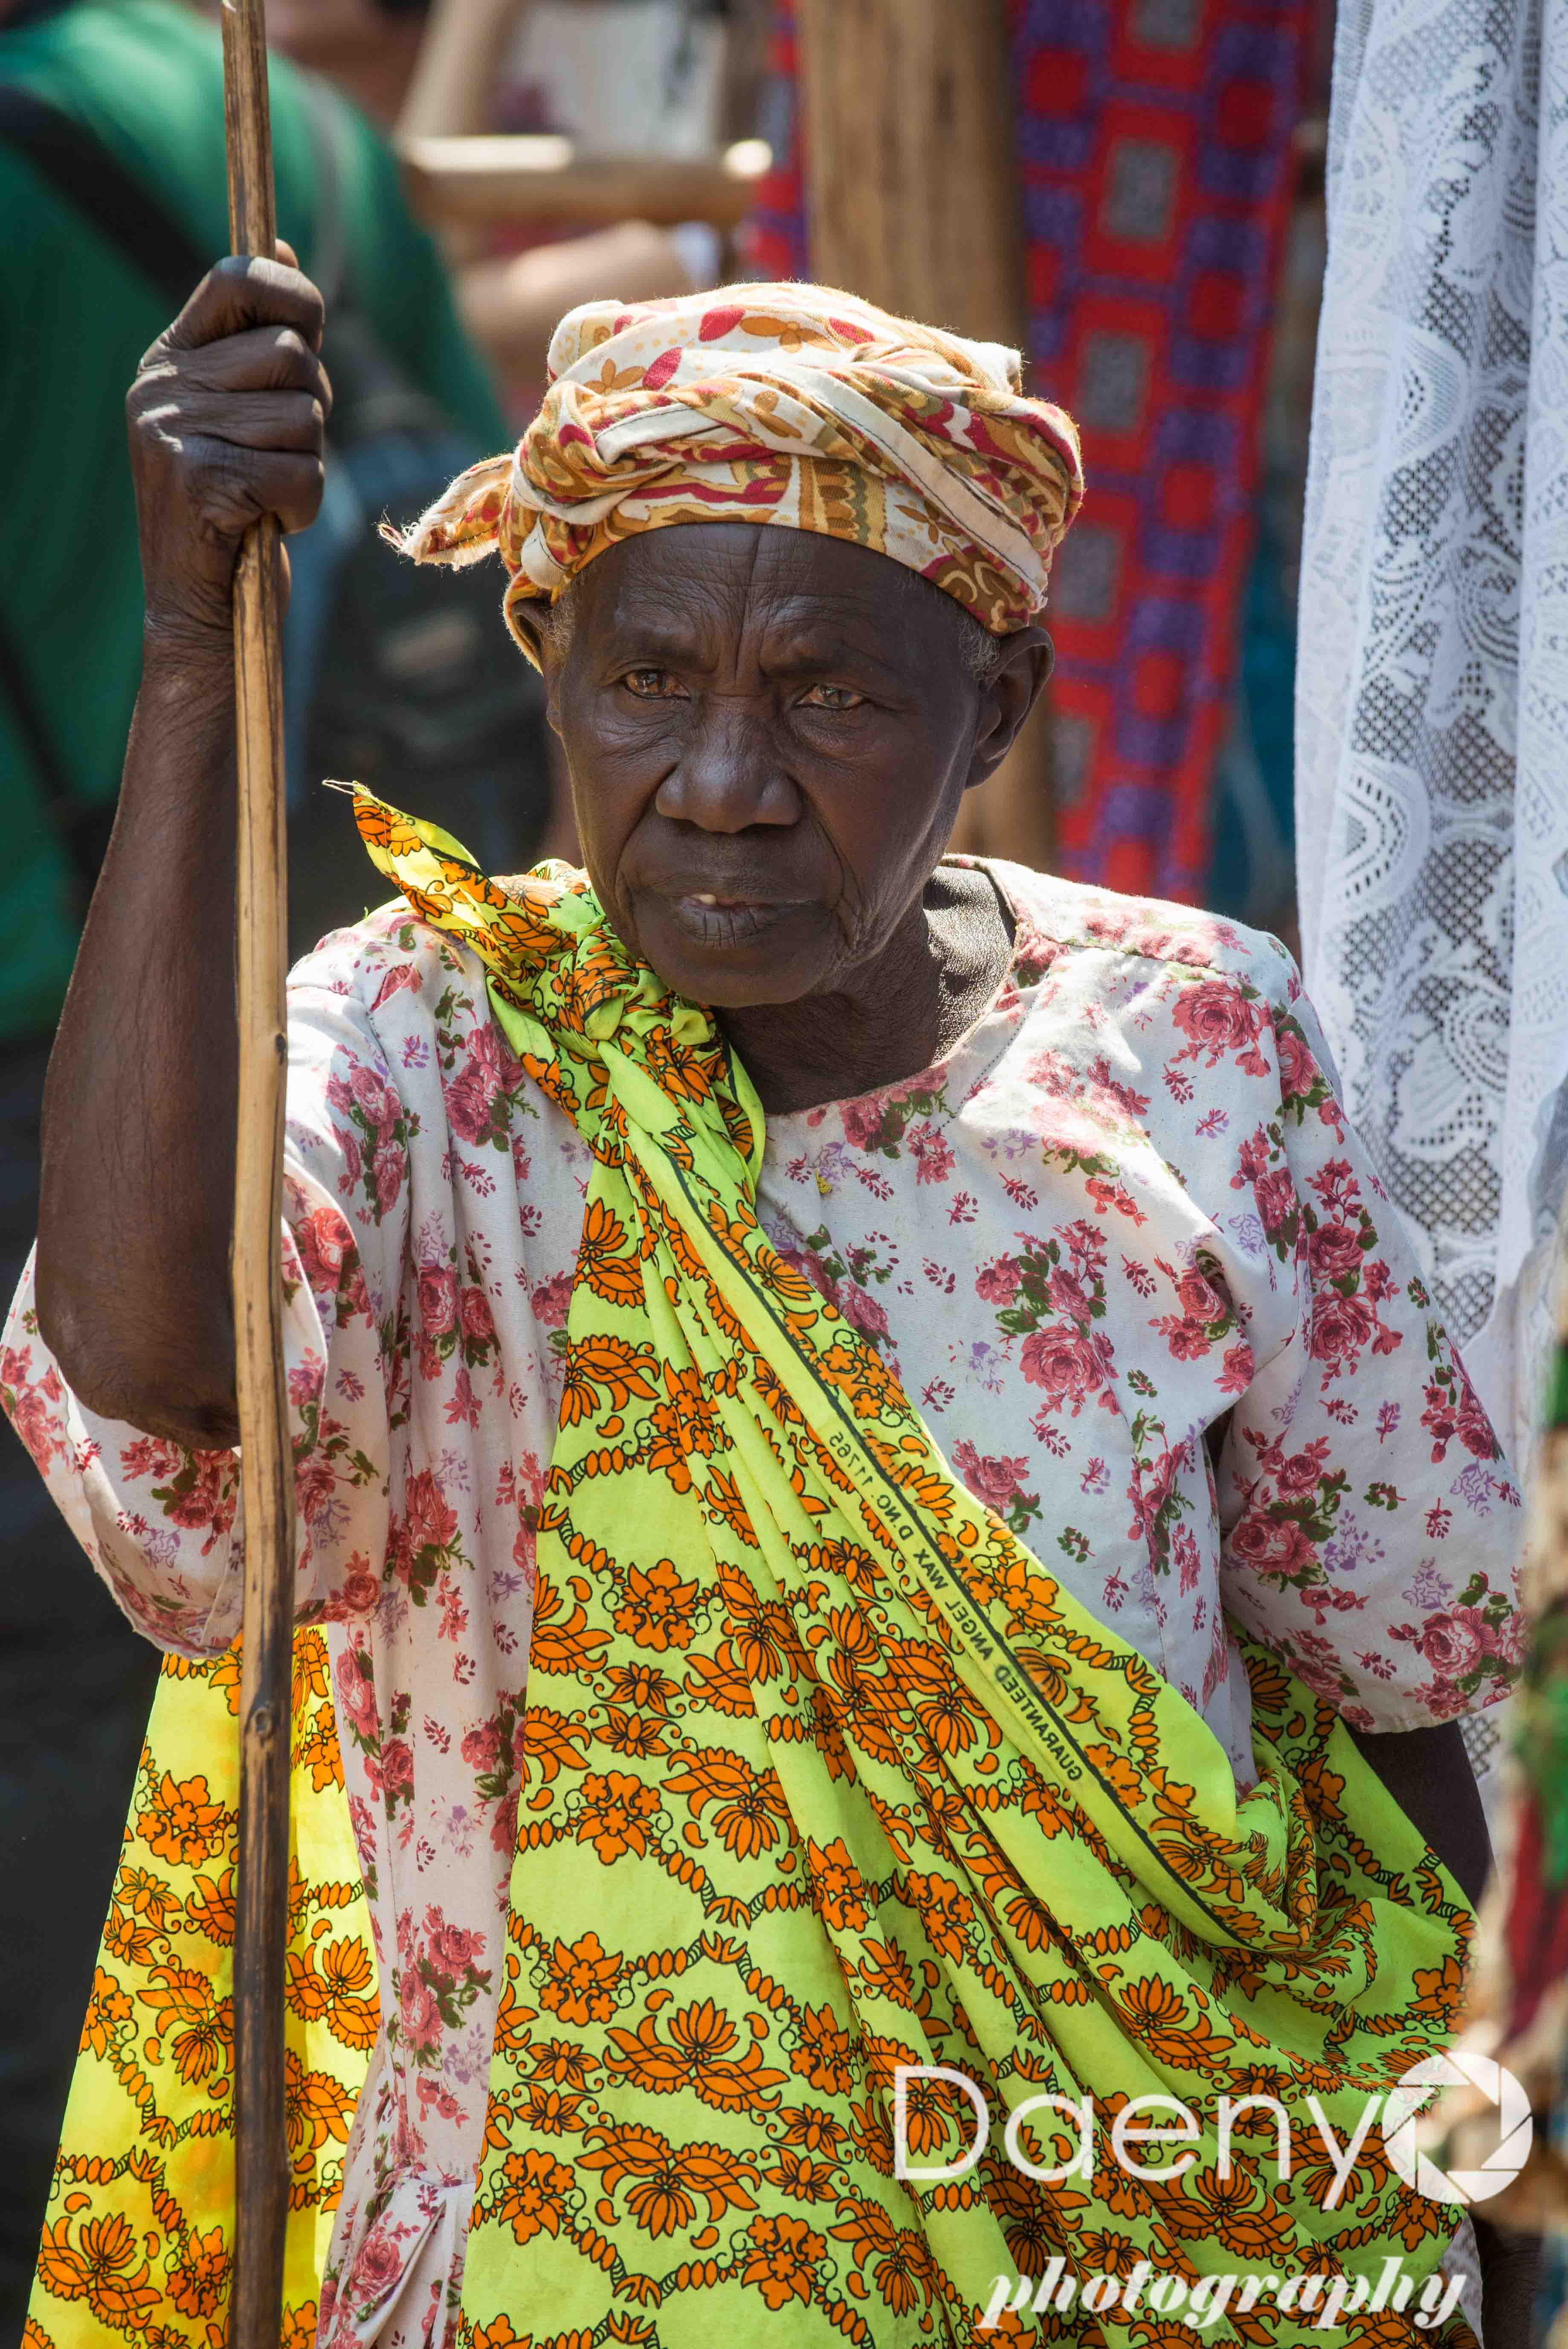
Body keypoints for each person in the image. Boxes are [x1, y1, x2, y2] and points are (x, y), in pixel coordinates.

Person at [5, 256, 1532, 2345]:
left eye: (830, 696)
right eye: (646, 679)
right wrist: (196, 656)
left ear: (993, 707)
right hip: (569, 2274)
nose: (721, 779)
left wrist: (1453, 2210)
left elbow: (1381, 1696)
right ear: (548, 666)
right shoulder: (427, 1049)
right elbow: (171, 1380)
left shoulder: (1187, 1041)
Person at [0, 0, 525, 2320]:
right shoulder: (271, 121)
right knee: (128, 1746)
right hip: (256, 992)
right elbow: (462, 505)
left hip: (98, 1045)